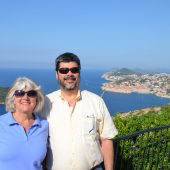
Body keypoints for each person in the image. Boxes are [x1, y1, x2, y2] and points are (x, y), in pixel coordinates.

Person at [43, 52, 118, 170]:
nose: (69, 74)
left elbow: (106, 139)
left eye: (74, 70)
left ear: (79, 73)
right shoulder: (45, 103)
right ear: (57, 74)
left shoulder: (96, 102)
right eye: (63, 70)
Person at [0, 77, 48, 170]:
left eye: (31, 93)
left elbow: (45, 163)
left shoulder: (44, 126)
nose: (25, 97)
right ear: (13, 99)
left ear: (37, 99)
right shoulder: (1, 124)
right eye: (19, 93)